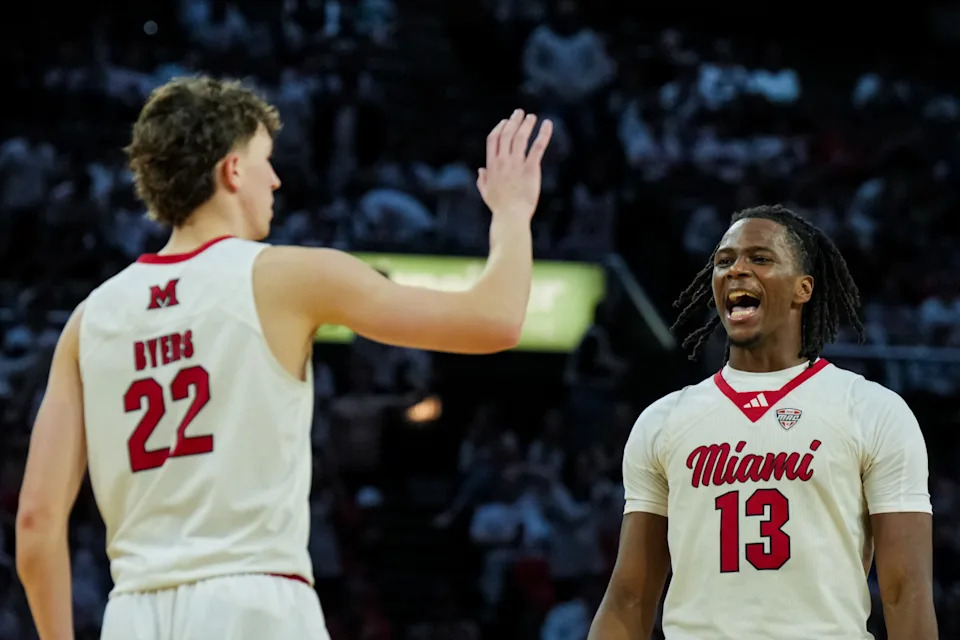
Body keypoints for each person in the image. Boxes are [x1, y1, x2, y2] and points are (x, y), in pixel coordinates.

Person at [14, 76, 553, 640]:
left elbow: (36, 526)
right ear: (232, 170)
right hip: (255, 604)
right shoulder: (289, 276)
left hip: (133, 613)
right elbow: (496, 320)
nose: (275, 178)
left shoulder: (89, 320)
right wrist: (512, 213)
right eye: (265, 160)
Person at [588, 204, 937, 639]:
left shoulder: (871, 409)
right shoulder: (663, 420)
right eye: (724, 260)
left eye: (760, 258)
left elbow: (906, 590)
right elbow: (630, 597)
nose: (736, 270)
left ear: (802, 288)